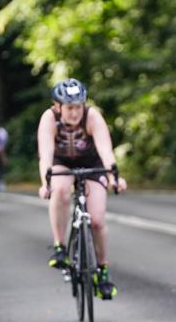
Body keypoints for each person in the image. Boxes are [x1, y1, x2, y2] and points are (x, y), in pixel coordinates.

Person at [37, 78, 127, 299]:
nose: (75, 113)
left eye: (78, 107)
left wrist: (114, 176)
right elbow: (46, 155)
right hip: (62, 163)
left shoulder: (92, 116)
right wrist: (45, 183)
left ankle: (103, 271)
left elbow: (106, 150)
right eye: (69, 108)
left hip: (92, 164)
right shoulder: (49, 118)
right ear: (58, 106)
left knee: (96, 220)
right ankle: (59, 246)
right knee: (59, 190)